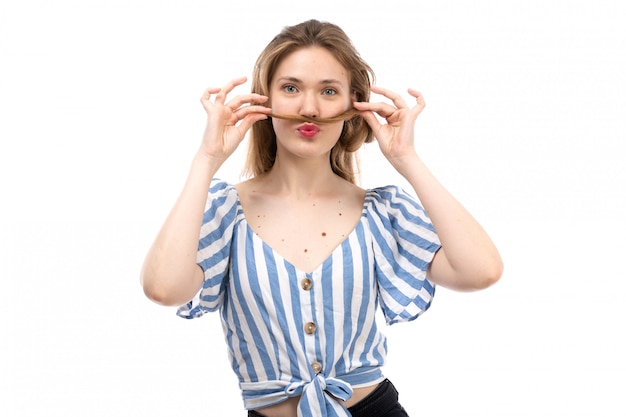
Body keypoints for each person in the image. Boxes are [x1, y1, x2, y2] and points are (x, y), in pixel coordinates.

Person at [140, 19, 503, 417]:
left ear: (352, 105)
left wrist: (406, 159)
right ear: (266, 101)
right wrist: (206, 161)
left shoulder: (382, 213)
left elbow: (481, 271)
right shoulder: (224, 211)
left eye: (329, 91)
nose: (309, 108)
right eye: (291, 88)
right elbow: (164, 289)